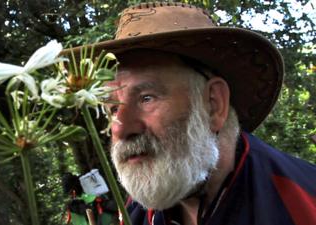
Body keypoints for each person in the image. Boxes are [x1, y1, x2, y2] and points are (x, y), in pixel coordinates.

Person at [73, 2, 316, 225]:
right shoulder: (137, 211)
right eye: (113, 108)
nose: (119, 128)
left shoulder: (303, 202)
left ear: (213, 103)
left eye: (147, 98)